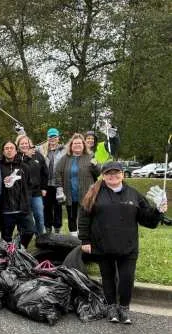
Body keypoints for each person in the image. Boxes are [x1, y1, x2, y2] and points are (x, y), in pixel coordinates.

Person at [78, 162, 167, 324]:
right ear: (103, 176)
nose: (113, 176)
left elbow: (148, 221)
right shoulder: (93, 193)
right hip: (102, 244)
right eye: (109, 173)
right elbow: (84, 217)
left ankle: (124, 308)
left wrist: (158, 211)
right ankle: (111, 306)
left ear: (123, 175)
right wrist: (85, 239)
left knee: (127, 278)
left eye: (116, 173)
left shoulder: (133, 194)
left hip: (128, 246)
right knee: (108, 277)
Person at [55, 133, 100, 236]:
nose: (77, 145)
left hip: (86, 193)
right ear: (71, 146)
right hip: (70, 194)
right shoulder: (65, 158)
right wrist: (59, 189)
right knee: (71, 217)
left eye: (79, 143)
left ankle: (85, 237)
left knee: (85, 217)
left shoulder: (90, 156)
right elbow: (58, 173)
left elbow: (98, 173)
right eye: (74, 143)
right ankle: (73, 239)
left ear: (83, 145)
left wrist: (95, 165)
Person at [0, 141, 35, 248]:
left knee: (29, 231)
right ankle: (8, 256)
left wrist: (26, 199)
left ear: (16, 150)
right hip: (5, 208)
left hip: (22, 208)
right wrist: (2, 181)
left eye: (11, 148)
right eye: (6, 148)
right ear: (3, 151)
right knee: (6, 237)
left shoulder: (24, 166)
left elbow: (30, 184)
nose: (9, 150)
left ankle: (20, 249)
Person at [17, 135, 48, 236]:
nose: (24, 145)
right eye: (22, 143)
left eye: (26, 143)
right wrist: (26, 156)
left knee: (39, 215)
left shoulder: (38, 155)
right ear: (18, 145)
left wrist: (44, 187)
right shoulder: (16, 156)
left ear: (30, 144)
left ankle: (41, 237)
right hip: (22, 193)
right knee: (25, 217)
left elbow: (45, 172)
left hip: (36, 192)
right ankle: (23, 237)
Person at [38, 128, 66, 234]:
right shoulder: (41, 149)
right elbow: (28, 146)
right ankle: (48, 227)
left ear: (58, 138)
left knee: (58, 207)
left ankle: (57, 228)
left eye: (55, 136)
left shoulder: (63, 149)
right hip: (45, 184)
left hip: (58, 184)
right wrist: (22, 133)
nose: (52, 139)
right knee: (46, 207)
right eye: (50, 137)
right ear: (47, 138)